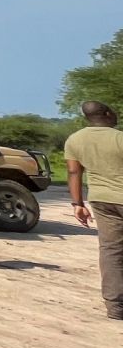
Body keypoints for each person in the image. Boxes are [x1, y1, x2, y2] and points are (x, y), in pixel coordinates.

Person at [65, 100, 123, 321]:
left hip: (100, 200)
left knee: (111, 251)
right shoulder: (119, 138)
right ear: (108, 113)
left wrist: (77, 204)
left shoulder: (75, 140)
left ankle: (115, 307)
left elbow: (73, 173)